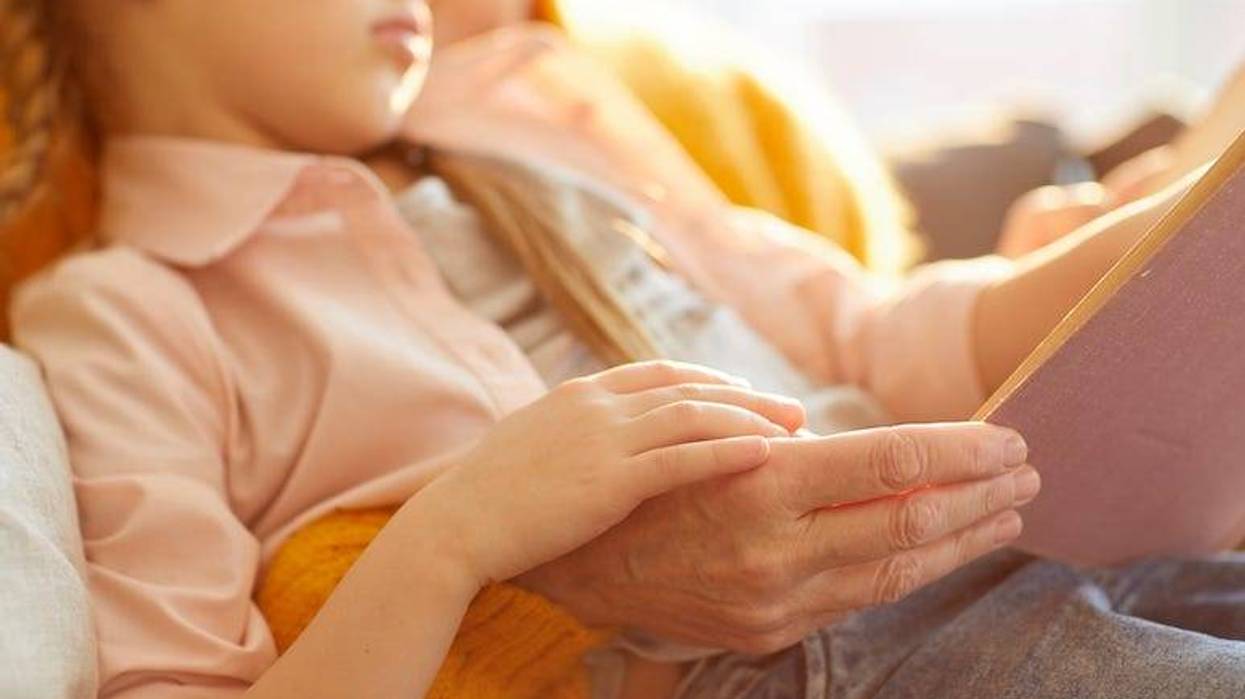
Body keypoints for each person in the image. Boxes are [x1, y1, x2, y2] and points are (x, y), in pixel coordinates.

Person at [2, 2, 1244, 699]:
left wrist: (1195, 218)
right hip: (789, 665)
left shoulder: (533, 125)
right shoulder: (123, 308)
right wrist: (453, 535)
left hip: (1027, 545)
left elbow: (874, 329)